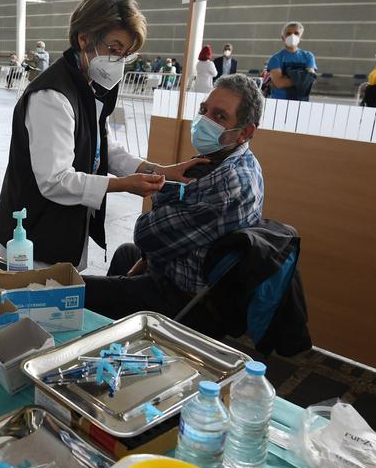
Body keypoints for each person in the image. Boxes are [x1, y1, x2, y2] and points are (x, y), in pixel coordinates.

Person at [0, 0, 207, 270]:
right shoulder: (52, 97)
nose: (118, 61)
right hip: (30, 242)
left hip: (64, 233)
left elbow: (101, 148)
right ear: (84, 38)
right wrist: (122, 185)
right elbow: (55, 180)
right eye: (113, 49)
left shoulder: (90, 86)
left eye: (125, 54)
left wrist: (157, 170)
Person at [83, 74, 264, 318]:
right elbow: (159, 240)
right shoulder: (227, 160)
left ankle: (111, 329)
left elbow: (146, 234)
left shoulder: (230, 183)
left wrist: (163, 192)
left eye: (220, 116)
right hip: (178, 265)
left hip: (186, 296)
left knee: (80, 291)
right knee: (126, 253)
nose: (205, 120)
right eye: (204, 109)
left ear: (244, 132)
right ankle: (112, 331)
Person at [266, 22, 317, 101]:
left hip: (301, 102)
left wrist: (286, 78)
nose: (292, 36)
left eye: (296, 33)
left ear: (301, 37)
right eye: (288, 33)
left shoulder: (308, 56)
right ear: (283, 38)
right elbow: (279, 83)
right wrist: (302, 78)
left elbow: (310, 80)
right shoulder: (276, 58)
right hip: (280, 102)